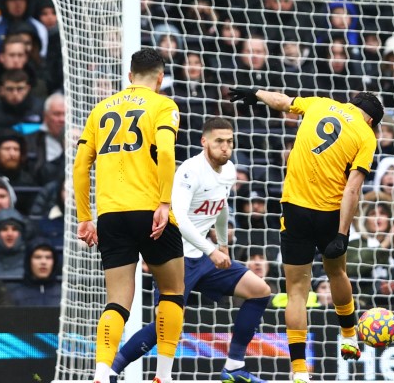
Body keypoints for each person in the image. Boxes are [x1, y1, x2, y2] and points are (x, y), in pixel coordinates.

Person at [229, 87, 383, 383]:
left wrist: (257, 93)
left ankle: (299, 372)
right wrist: (341, 233)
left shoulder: (319, 104)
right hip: (329, 213)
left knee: (296, 290)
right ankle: (349, 336)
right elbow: (352, 189)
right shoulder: (365, 137)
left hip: (296, 209)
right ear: (372, 122)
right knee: (337, 273)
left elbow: (283, 102)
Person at [109, 117, 272, 383]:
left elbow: (221, 206)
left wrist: (222, 244)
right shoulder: (189, 171)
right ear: (204, 141)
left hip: (205, 256)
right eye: (219, 141)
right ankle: (113, 369)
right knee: (165, 324)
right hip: (175, 257)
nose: (225, 147)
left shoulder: (229, 170)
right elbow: (179, 218)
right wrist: (211, 250)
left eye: (229, 142)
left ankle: (233, 367)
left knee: (259, 292)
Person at [73, 48, 185, 383]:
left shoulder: (100, 110)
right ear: (161, 78)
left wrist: (84, 216)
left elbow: (80, 167)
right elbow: (165, 151)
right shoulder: (163, 105)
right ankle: (163, 376)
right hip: (150, 210)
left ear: (129, 76)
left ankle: (102, 370)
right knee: (172, 291)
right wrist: (164, 202)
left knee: (118, 301)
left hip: (111, 215)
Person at [7, 239, 61, 306]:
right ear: (28, 262)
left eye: (48, 257)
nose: (43, 262)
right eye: (38, 257)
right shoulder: (14, 295)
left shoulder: (65, 295)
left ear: (54, 262)